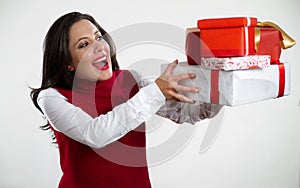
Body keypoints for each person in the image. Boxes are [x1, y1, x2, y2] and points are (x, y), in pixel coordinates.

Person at [30, 12, 222, 188]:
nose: (99, 46)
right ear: (68, 63)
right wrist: (155, 91)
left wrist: (221, 81)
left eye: (98, 37)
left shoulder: (131, 80)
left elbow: (187, 113)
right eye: (84, 44)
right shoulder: (52, 97)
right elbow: (95, 135)